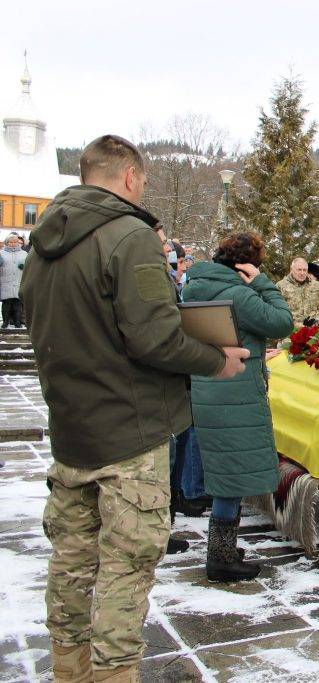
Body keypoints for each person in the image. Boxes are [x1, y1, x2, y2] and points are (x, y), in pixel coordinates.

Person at [19, 134, 249, 682]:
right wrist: (217, 361)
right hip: (130, 433)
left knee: (71, 566)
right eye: (142, 181)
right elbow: (155, 338)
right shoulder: (129, 236)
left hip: (72, 430)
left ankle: (68, 672)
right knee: (126, 571)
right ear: (128, 177)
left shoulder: (44, 241)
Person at [183, 232, 295, 582]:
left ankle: (224, 549)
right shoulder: (237, 294)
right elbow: (281, 322)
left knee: (223, 470)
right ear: (246, 264)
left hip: (208, 389)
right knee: (231, 476)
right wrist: (262, 283)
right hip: (237, 392)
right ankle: (220, 558)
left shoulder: (194, 288)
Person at [276, 257, 319, 327]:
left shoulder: (316, 286)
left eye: (304, 270)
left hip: (313, 330)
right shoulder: (280, 286)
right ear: (291, 269)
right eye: (299, 270)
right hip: (289, 330)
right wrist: (294, 323)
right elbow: (276, 310)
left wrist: (315, 320)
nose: (302, 273)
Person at [1, 233, 27, 328]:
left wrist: (24, 266)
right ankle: (5, 322)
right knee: (6, 304)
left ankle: (17, 321)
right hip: (6, 281)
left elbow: (29, 266)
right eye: (11, 242)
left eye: (15, 242)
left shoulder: (24, 254)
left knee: (18, 304)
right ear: (7, 243)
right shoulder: (1, 253)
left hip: (19, 281)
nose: (13, 244)